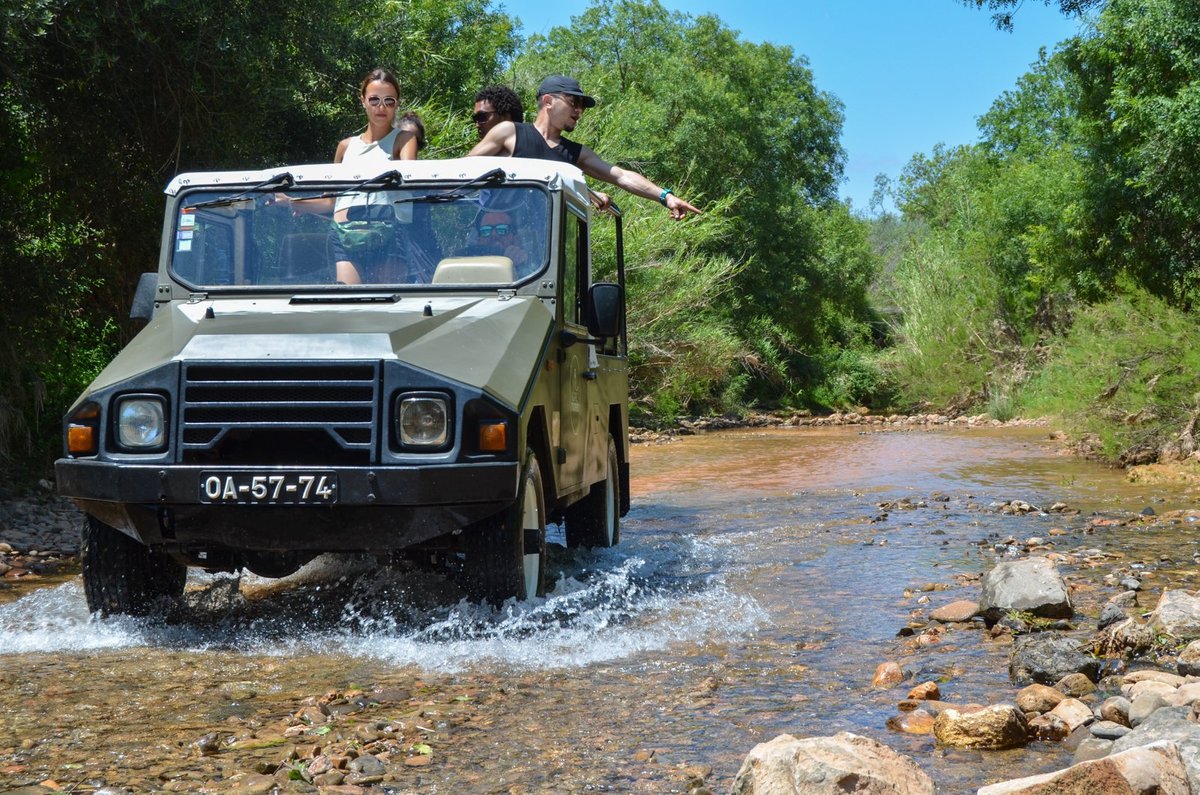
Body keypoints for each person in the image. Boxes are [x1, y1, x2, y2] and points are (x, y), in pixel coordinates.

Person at [468, 75, 700, 220]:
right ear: (548, 101)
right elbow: (461, 173)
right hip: (494, 233)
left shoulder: (574, 153)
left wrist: (665, 197)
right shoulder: (510, 132)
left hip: (540, 254)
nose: (579, 111)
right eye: (574, 102)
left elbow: (621, 176)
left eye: (582, 106)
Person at [334, 68, 419, 164]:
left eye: (389, 101)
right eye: (374, 100)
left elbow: (407, 176)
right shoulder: (344, 147)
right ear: (363, 101)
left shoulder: (405, 140)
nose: (381, 107)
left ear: (397, 104)